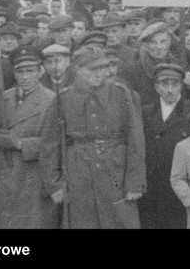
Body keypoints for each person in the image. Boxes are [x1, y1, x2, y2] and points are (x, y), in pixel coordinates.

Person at [40, 48, 145, 229]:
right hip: (79, 175)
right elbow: (49, 145)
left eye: (102, 68)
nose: (99, 74)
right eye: (92, 69)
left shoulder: (121, 94)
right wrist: (54, 185)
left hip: (116, 172)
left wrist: (135, 182)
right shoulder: (62, 99)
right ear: (77, 69)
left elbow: (135, 140)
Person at [0, 47, 57, 229]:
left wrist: (19, 143)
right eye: (20, 71)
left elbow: (55, 144)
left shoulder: (51, 100)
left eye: (30, 71)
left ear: (40, 72)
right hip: (3, 172)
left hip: (32, 176)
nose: (25, 77)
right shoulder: (3, 98)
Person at [139, 63, 190, 229]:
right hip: (151, 188)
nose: (170, 90)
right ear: (157, 87)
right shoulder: (145, 112)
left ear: (181, 86)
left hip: (180, 189)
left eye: (175, 84)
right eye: (165, 84)